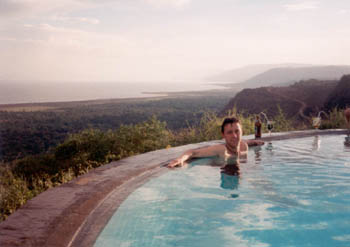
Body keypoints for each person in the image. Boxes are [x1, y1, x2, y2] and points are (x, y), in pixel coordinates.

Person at [167, 117, 264, 168]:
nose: (234, 136)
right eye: (229, 132)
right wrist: (180, 159)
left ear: (242, 131)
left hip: (240, 172)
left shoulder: (244, 146)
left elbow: (246, 141)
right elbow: (193, 152)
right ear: (223, 135)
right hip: (223, 173)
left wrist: (255, 142)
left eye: (237, 131)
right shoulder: (221, 150)